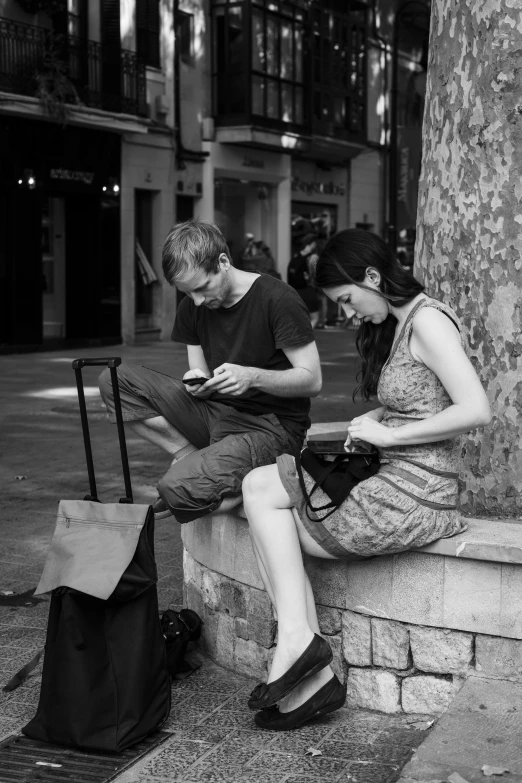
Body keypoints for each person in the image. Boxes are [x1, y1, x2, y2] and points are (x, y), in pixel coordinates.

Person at [242, 228, 492, 731]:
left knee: (266, 508)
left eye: (348, 299)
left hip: (417, 493)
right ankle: (302, 658)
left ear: (373, 277)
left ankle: (304, 662)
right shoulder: (401, 325)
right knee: (256, 487)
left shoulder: (428, 323)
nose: (349, 313)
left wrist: (389, 436)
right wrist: (375, 424)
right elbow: (420, 401)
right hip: (391, 474)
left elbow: (476, 410)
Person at [98, 219, 321, 524]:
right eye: (189, 294)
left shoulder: (278, 299)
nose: (199, 301)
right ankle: (188, 454)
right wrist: (197, 383)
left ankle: (260, 481)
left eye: (203, 288)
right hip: (217, 413)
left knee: (174, 489)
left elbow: (312, 380)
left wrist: (253, 376)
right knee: (114, 381)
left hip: (273, 428)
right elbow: (199, 372)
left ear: (224, 262)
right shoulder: (193, 307)